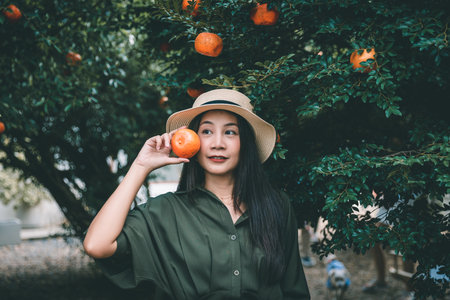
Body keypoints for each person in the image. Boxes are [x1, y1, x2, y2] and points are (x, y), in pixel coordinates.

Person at [83, 89, 310, 300]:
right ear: (193, 140)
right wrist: (141, 166)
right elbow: (97, 245)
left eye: (230, 132)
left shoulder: (277, 205)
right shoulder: (165, 212)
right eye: (207, 131)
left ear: (246, 143)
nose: (217, 144)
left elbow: (294, 290)